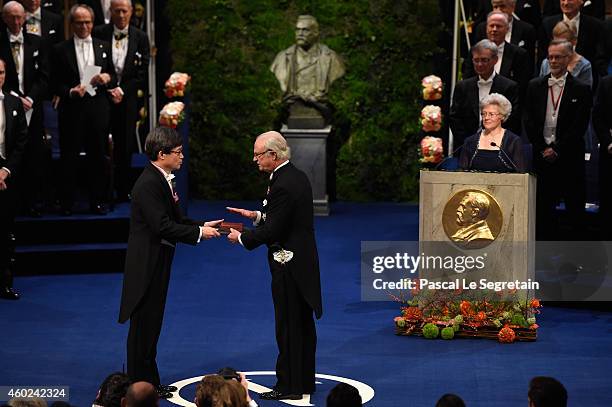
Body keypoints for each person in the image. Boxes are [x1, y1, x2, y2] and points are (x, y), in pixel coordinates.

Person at [118, 127, 222, 398]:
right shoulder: (148, 183)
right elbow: (162, 226)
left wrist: (202, 224)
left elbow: (174, 219)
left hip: (158, 260)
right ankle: (139, 387)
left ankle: (149, 383)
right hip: (146, 265)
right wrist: (199, 233)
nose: (182, 157)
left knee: (152, 326)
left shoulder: (161, 178)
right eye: (177, 153)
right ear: (161, 154)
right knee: (143, 328)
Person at [227, 131, 322, 401]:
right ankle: (302, 381)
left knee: (289, 326)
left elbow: (274, 230)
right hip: (301, 262)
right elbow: (282, 216)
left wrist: (242, 237)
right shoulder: (294, 176)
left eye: (258, 154)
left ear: (273, 155)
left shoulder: (282, 183)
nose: (254, 159)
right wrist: (257, 216)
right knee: (301, 325)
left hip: (289, 266)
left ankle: (289, 386)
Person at [51, 4, 116, 215]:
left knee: (97, 156)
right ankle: (67, 202)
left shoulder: (104, 46)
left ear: (92, 22)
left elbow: (113, 75)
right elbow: (54, 83)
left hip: (98, 109)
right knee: (69, 157)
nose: (84, 26)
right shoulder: (60, 49)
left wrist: (107, 78)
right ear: (72, 24)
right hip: (71, 109)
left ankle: (97, 201)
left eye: (87, 22)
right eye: (79, 22)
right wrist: (70, 91)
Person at [524, 39, 592, 240]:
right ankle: (542, 256)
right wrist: (542, 148)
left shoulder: (581, 88)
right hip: (541, 156)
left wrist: (557, 148)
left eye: (558, 57)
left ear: (569, 58)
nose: (553, 61)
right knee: (543, 208)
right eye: (550, 57)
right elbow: (528, 120)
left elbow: (579, 125)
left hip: (569, 157)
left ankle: (575, 257)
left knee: (574, 208)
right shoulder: (534, 85)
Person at [93, 0, 150, 202]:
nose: (121, 15)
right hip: (102, 98)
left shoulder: (141, 37)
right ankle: (101, 191)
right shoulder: (99, 32)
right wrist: (109, 88)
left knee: (125, 146)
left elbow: (143, 72)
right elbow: (93, 64)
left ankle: (124, 189)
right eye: (117, 11)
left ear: (131, 11)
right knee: (99, 144)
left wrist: (122, 90)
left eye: (124, 11)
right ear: (111, 11)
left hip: (127, 99)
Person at [0, 1, 48, 217]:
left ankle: (33, 201)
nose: (17, 22)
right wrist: (16, 98)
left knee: (34, 152)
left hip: (33, 107)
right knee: (12, 152)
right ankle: (14, 202)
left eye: (20, 17)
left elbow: (44, 76)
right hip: (7, 104)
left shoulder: (36, 42)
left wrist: (30, 97)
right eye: (12, 17)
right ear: (4, 18)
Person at [450, 40, 520, 151]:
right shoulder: (462, 86)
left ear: (495, 60)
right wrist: (468, 142)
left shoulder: (509, 86)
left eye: (484, 60)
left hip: (498, 147)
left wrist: (493, 141)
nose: (479, 64)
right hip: (466, 146)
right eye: (476, 60)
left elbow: (512, 119)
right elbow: (455, 117)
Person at [270, 15, 344, 112]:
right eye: (297, 30)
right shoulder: (282, 58)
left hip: (319, 112)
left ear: (316, 33)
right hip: (293, 111)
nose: (300, 34)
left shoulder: (331, 58)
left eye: (305, 30)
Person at [0, 58, 28, 300]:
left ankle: (5, 283)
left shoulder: (13, 102)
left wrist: (6, 170)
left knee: (7, 232)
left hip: (7, 176)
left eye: (0, 72)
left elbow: (21, 142)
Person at [464, 11, 531, 100]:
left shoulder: (519, 54)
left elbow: (521, 86)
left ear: (507, 29)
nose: (494, 29)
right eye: (491, 26)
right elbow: (468, 78)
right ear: (486, 28)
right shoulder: (474, 51)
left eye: (499, 26)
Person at [538, 0, 606, 78]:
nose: (566, 3)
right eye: (563, 0)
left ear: (581, 1)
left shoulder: (595, 26)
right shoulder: (547, 24)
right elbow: (542, 56)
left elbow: (599, 59)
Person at [459, 93, 524, 172]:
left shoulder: (513, 141)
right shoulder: (470, 141)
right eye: (484, 114)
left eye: (491, 114)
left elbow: (520, 174)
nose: (486, 118)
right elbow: (461, 173)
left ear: (502, 116)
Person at [472, 0, 537, 71]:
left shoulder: (527, 30)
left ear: (513, 7)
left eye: (502, 6)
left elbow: (529, 65)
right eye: (495, 7)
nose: (498, 11)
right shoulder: (481, 28)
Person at [539, 20, 592, 87]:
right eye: (556, 41)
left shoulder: (584, 66)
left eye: (564, 42)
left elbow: (585, 94)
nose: (560, 46)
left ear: (574, 41)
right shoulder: (546, 63)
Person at [592, 75, 612, 239]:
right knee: (607, 204)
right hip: (610, 152)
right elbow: (598, 116)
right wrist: (608, 142)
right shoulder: (606, 83)